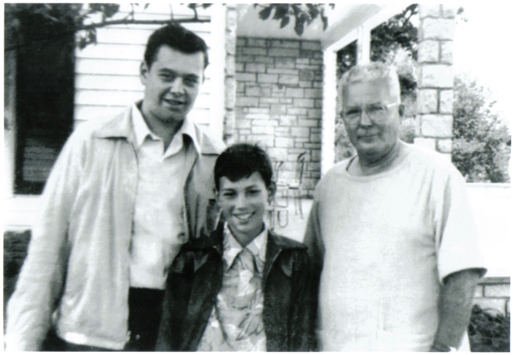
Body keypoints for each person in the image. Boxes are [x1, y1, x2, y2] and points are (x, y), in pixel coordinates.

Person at [5, 23, 225, 351]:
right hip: (91, 332)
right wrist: (22, 343)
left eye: (190, 80)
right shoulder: (89, 143)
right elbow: (47, 250)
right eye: (167, 75)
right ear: (143, 72)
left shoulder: (213, 157)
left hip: (174, 331)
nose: (178, 89)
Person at [304, 62, 487, 352]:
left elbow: (462, 276)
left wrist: (442, 350)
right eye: (353, 112)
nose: (364, 122)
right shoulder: (330, 186)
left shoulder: (437, 177)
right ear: (342, 118)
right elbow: (309, 270)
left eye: (377, 108)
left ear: (400, 112)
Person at [155, 143, 317, 351]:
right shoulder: (192, 259)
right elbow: (168, 337)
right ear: (218, 195)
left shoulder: (293, 260)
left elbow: (301, 339)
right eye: (230, 194)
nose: (241, 205)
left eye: (252, 192)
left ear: (271, 191)